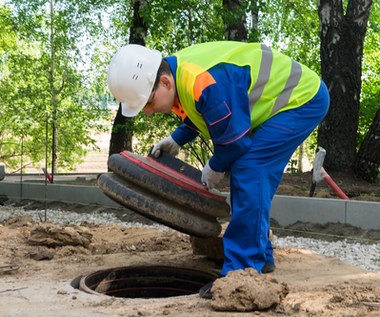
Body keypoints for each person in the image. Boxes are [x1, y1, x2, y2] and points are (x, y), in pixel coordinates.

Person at [107, 41, 330, 299]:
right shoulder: (180, 74)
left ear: (165, 83)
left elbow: (234, 141)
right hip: (285, 102)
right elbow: (205, 109)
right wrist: (178, 138)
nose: (147, 112)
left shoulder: (200, 80)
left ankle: (240, 273)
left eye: (147, 102)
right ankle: (260, 256)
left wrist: (215, 166)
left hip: (302, 99)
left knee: (250, 168)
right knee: (248, 170)